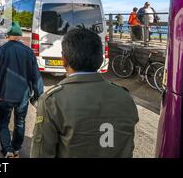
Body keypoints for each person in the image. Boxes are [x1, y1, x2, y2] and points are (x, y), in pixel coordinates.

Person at [30, 28, 139, 158]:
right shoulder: (124, 97)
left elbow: (41, 153)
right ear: (100, 59)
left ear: (64, 59)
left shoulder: (52, 101)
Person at [0, 22, 44, 158]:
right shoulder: (28, 52)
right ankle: (16, 148)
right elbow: (36, 76)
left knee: (3, 122)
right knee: (20, 122)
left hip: (4, 95)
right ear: (20, 36)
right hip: (23, 96)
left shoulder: (2, 50)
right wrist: (40, 95)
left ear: (9, 36)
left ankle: (8, 150)